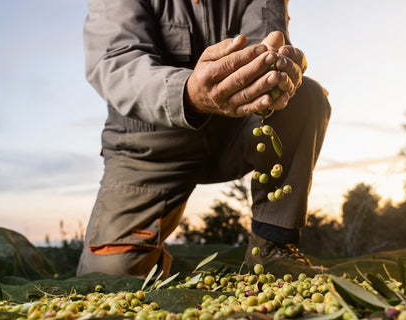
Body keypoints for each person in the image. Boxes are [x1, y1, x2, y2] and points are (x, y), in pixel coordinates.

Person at [77, 0, 331, 278]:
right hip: (149, 154)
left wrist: (275, 70)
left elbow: (265, 47)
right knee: (110, 279)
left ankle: (273, 245)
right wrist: (189, 93)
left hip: (232, 129)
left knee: (304, 96)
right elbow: (117, 63)